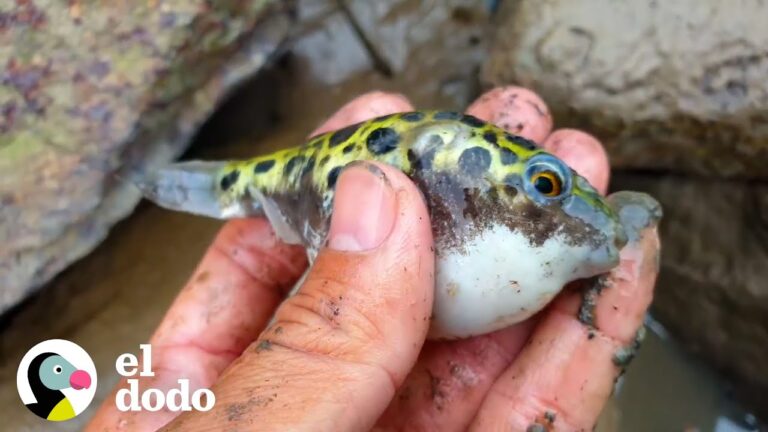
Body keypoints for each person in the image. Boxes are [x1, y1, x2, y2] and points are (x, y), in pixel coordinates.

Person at [86, 87, 660, 431]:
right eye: (545, 184)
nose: (555, 197)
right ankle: (140, 175)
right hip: (331, 192)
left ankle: (135, 173)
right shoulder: (448, 168)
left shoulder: (533, 245)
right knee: (234, 186)